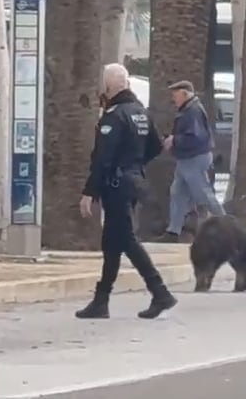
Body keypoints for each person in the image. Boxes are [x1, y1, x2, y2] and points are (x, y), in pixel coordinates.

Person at [76, 63, 176, 320]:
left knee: (127, 241)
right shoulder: (140, 113)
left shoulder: (114, 116)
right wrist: (135, 163)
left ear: (109, 87)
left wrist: (90, 191)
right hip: (133, 181)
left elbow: (103, 158)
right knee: (112, 243)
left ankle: (160, 291)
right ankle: (101, 300)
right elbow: (155, 145)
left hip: (116, 185)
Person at [157, 80, 225, 243]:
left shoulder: (192, 111)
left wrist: (175, 140)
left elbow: (195, 137)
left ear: (185, 94)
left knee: (203, 193)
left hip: (194, 158)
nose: (174, 99)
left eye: (176, 95)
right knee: (178, 192)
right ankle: (173, 231)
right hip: (186, 158)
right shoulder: (188, 110)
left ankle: (226, 225)